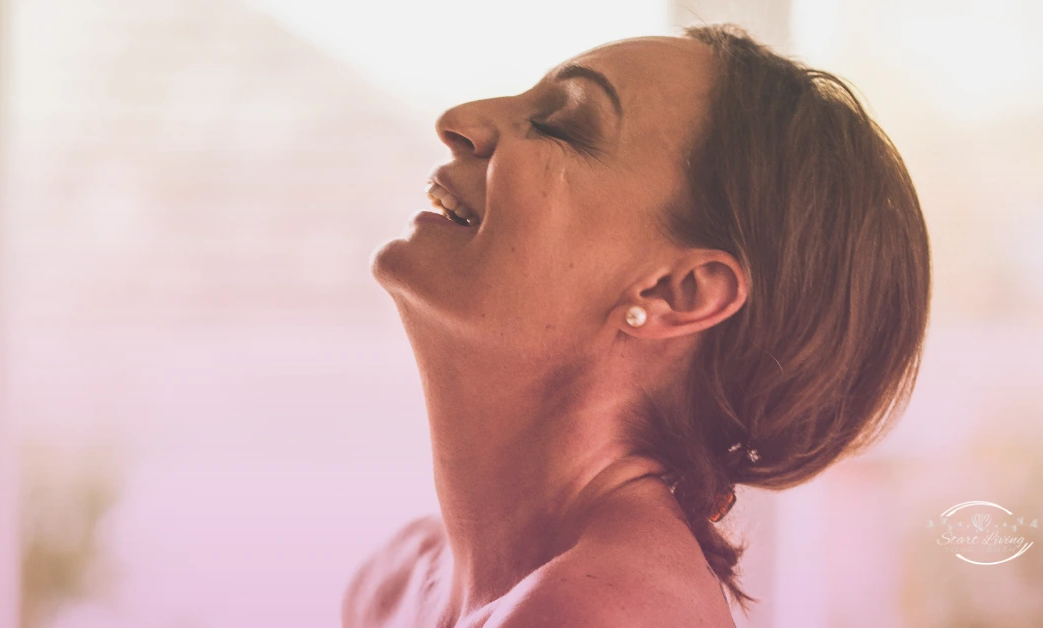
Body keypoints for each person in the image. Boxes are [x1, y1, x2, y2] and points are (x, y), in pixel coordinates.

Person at [344, 22, 931, 628]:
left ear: (676, 293)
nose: (458, 119)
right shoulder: (400, 576)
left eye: (560, 125)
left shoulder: (604, 615)